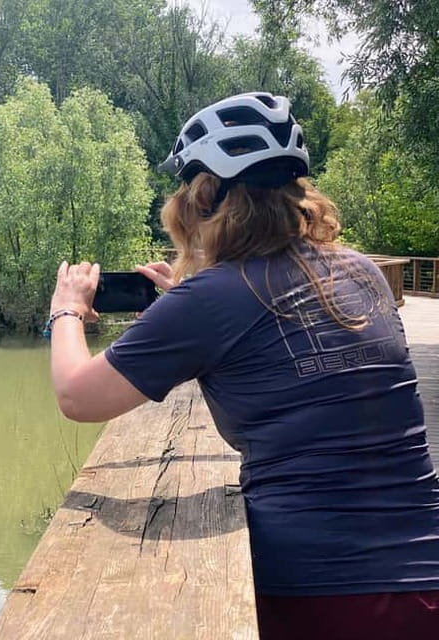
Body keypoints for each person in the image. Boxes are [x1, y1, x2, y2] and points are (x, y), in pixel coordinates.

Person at [46, 92, 439, 640]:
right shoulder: (360, 272)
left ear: (204, 195)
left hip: (320, 595)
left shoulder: (214, 297)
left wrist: (66, 308)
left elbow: (77, 397)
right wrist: (188, 301)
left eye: (184, 186)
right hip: (426, 579)